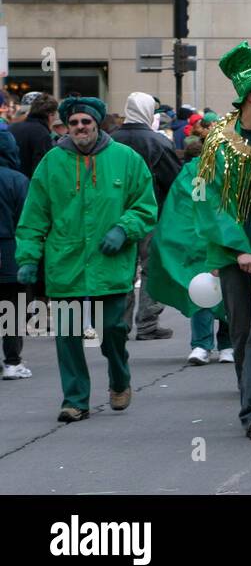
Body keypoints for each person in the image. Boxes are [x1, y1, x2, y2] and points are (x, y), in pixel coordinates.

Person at [15, 96, 157, 423]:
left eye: (86, 122)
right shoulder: (52, 163)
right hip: (65, 265)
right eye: (74, 122)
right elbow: (35, 215)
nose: (80, 127)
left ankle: (120, 378)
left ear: (96, 124)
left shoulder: (126, 159)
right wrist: (27, 257)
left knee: (113, 330)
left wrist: (124, 228)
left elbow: (145, 206)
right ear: (66, 126)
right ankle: (75, 400)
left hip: (111, 264)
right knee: (68, 336)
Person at [186, 44, 251, 439]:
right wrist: (240, 248)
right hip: (234, 255)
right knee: (242, 332)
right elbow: (209, 203)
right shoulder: (219, 145)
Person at [111, 92, 182, 342]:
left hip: (115, 216)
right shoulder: (158, 142)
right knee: (151, 269)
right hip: (151, 214)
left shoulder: (110, 140)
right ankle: (147, 323)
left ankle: (119, 323)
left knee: (122, 271)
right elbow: (175, 181)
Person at [0, 130, 30, 380]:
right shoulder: (17, 180)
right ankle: (12, 361)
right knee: (12, 308)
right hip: (10, 251)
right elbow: (27, 220)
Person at [11, 93, 57, 179]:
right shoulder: (42, 134)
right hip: (28, 187)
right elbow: (41, 170)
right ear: (51, 115)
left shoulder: (12, 127)